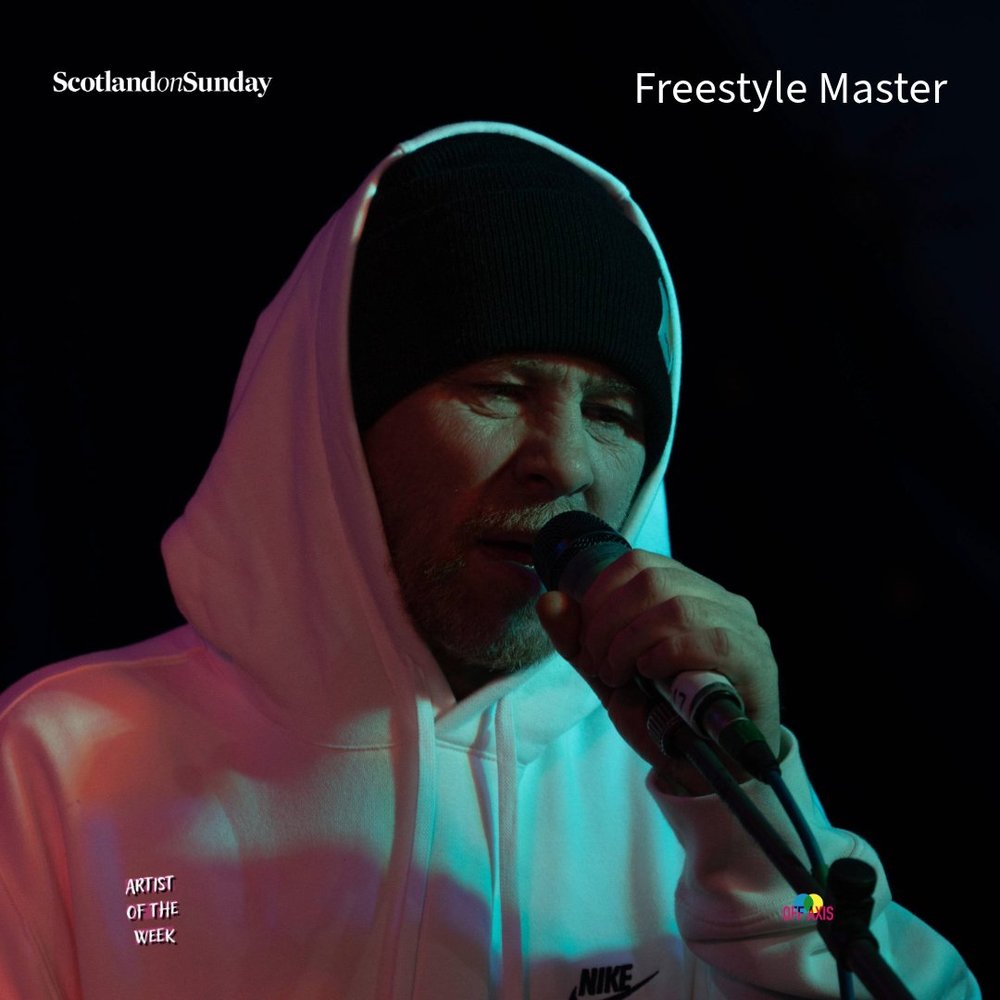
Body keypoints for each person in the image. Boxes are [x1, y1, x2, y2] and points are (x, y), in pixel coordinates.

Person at [0, 122, 978, 999]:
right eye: (499, 390)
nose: (568, 461)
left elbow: (838, 931)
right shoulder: (65, 762)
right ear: (338, 427)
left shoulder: (695, 791)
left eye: (612, 413)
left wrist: (756, 843)